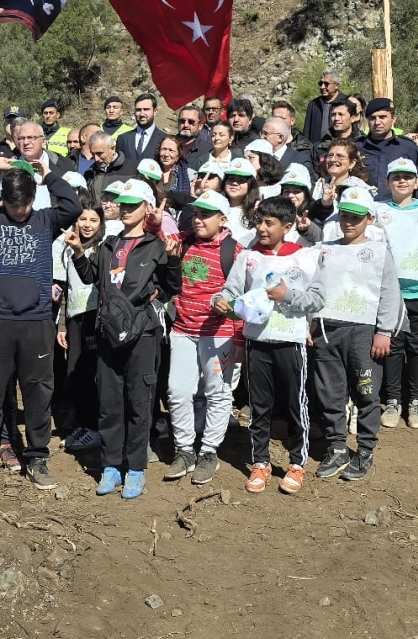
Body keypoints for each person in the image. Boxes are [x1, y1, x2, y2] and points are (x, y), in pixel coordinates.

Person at [0, 158, 82, 489]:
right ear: (3, 199)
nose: (20, 211)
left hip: (37, 320)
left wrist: (48, 173)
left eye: (24, 204)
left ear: (33, 198)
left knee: (38, 390)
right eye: (13, 205)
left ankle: (37, 457)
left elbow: (72, 205)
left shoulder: (45, 219)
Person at [214, 195, 325, 495]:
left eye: (269, 223)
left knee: (295, 404)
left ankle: (297, 464)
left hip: (291, 342)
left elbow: (317, 299)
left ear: (287, 226)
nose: (261, 228)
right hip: (257, 342)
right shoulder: (248, 256)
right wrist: (221, 301)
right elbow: (230, 290)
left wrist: (287, 295)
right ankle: (260, 462)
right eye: (259, 221)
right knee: (259, 406)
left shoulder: (303, 257)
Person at [65, 179, 168, 500]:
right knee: (109, 402)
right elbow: (90, 278)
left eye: (132, 205)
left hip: (142, 334)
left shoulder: (156, 245)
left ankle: (135, 468)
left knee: (138, 402)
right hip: (108, 333)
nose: (124, 209)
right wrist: (79, 252)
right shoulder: (109, 244)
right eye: (122, 204)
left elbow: (170, 284)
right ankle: (111, 465)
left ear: (147, 209)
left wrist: (168, 275)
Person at [310, 189, 401, 483]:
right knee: (330, 392)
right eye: (345, 216)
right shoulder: (325, 249)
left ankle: (365, 449)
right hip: (328, 330)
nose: (348, 222)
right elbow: (315, 287)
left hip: (363, 332)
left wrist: (384, 331)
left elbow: (390, 293)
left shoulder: (379, 251)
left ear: (369, 219)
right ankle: (337, 446)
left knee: (365, 392)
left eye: (356, 217)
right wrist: (310, 323)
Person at [158, 189, 243, 486]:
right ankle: (184, 450)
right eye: (196, 213)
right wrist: (157, 225)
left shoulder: (235, 251)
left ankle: (208, 452)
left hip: (218, 335)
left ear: (223, 219)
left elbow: (245, 295)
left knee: (218, 395)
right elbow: (160, 239)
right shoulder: (182, 241)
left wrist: (231, 313)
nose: (198, 220)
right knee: (178, 391)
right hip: (182, 328)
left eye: (206, 215)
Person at [375, 158, 418, 430]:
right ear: (387, 182)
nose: (402, 181)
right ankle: (393, 400)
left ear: (417, 182)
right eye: (396, 177)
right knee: (392, 347)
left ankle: (416, 401)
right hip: (389, 294)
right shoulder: (378, 211)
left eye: (408, 177)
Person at [55, 205, 105, 449]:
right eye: (82, 219)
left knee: (91, 374)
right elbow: (66, 288)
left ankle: (95, 428)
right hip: (75, 317)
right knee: (74, 373)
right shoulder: (67, 248)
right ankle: (84, 424)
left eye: (93, 220)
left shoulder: (102, 248)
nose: (87, 224)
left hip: (95, 316)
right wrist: (62, 324)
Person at [356, 98, 418, 184]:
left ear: (393, 119)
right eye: (372, 118)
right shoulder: (357, 147)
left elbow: (417, 180)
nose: (377, 122)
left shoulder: (408, 147)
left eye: (382, 117)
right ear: (367, 120)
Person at [115, 93, 166, 162]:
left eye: (146, 109)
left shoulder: (164, 139)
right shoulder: (123, 139)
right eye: (138, 110)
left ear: (155, 112)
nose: (142, 114)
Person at [304, 71, 344, 144]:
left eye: (326, 84)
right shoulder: (313, 105)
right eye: (320, 83)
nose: (322, 87)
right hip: (316, 152)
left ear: (336, 85)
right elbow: (306, 132)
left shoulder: (346, 103)